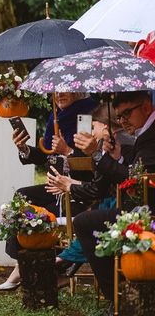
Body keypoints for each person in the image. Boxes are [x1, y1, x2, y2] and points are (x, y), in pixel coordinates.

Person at [0, 94, 97, 289]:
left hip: (78, 188)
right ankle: (21, 262)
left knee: (46, 212)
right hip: (54, 186)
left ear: (77, 89)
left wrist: (68, 150)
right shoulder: (55, 115)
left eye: (65, 88)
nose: (60, 94)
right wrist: (24, 148)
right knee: (23, 197)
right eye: (56, 90)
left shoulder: (89, 113)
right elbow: (45, 155)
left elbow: (93, 162)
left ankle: (55, 270)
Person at [73, 91, 155, 309]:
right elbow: (135, 173)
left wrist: (97, 155)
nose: (122, 121)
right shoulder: (144, 133)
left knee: (84, 223)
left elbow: (136, 179)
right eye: (119, 117)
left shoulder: (151, 135)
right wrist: (117, 157)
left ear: (146, 107)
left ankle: (115, 294)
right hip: (138, 207)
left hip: (147, 212)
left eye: (127, 113)